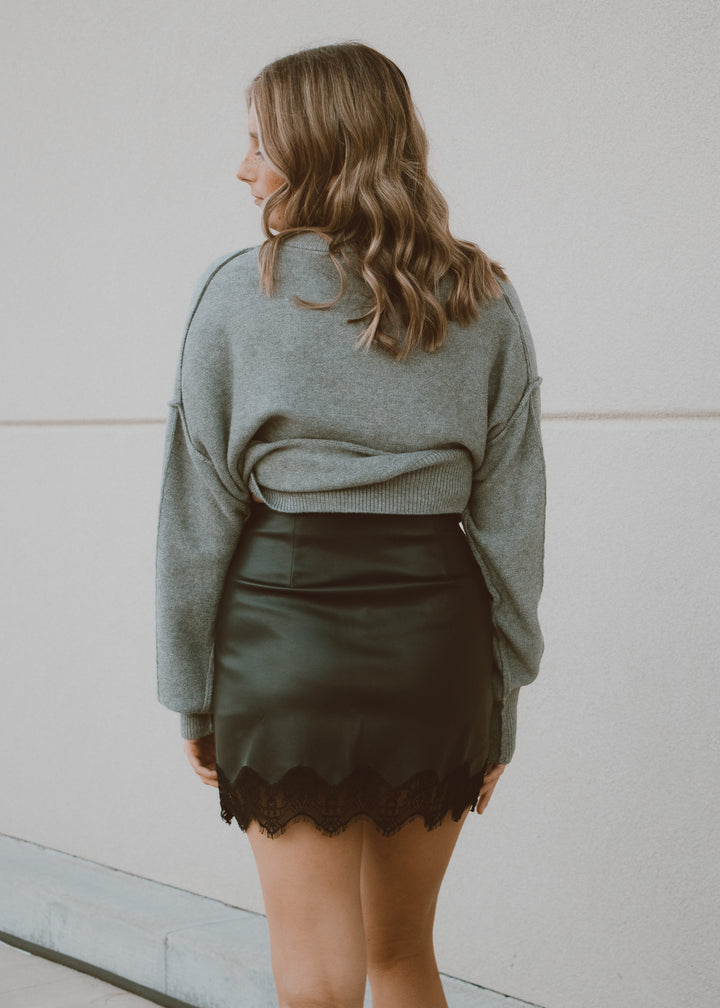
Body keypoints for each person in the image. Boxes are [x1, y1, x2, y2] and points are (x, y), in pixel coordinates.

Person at [156, 42, 545, 1008]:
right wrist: (504, 697)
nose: (243, 168)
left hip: (282, 646)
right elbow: (513, 525)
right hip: (436, 645)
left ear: (318, 147)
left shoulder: (238, 295)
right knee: (403, 953)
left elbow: (196, 518)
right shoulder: (484, 298)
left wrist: (192, 695)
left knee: (318, 982)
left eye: (259, 143)